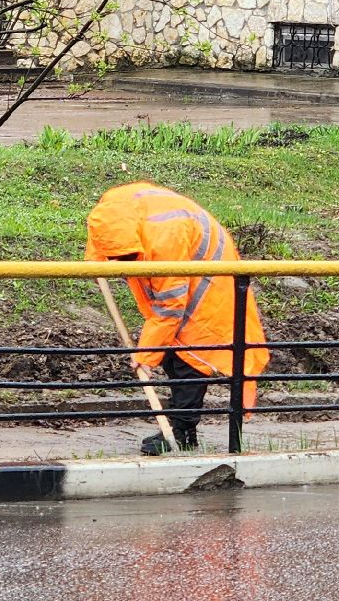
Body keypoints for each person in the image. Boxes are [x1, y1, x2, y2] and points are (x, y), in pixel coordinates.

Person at [85, 182, 269, 455]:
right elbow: (100, 234)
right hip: (190, 265)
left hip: (211, 283)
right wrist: (95, 261)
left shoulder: (164, 240)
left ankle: (181, 432)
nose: (123, 266)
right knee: (173, 354)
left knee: (191, 356)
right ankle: (181, 429)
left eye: (128, 258)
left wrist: (146, 355)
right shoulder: (111, 211)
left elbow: (170, 307)